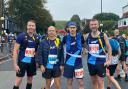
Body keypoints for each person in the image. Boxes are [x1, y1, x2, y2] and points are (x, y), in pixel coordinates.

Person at [84, 19, 112, 89]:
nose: (93, 26)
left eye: (95, 24)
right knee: (94, 83)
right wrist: (85, 49)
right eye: (92, 25)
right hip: (90, 62)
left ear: (98, 25)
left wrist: (109, 60)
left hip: (101, 63)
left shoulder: (103, 35)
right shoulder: (87, 36)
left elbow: (109, 48)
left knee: (101, 83)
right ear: (90, 26)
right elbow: (84, 45)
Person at [12, 20, 39, 89]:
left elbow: (36, 51)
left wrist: (36, 62)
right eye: (29, 25)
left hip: (32, 63)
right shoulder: (21, 36)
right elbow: (15, 50)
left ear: (35, 27)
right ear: (27, 26)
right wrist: (15, 64)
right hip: (22, 62)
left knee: (30, 80)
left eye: (32, 26)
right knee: (18, 80)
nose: (31, 27)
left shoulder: (37, 37)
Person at [63, 21, 85, 89]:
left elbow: (84, 44)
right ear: (68, 29)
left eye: (73, 27)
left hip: (78, 63)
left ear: (76, 28)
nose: (72, 29)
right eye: (71, 28)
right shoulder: (65, 37)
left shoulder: (80, 36)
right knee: (69, 82)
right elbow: (60, 48)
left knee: (80, 82)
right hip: (69, 63)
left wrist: (84, 49)